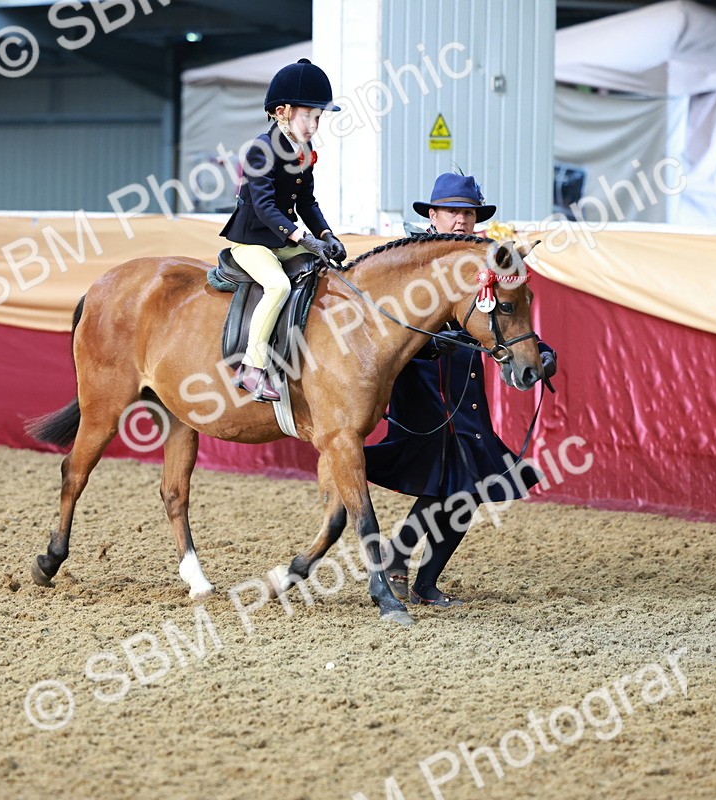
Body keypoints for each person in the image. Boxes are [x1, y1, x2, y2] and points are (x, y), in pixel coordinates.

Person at [363, 173, 559, 607]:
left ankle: (423, 577)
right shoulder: (407, 261)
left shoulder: (489, 259)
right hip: (422, 384)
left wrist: (539, 351)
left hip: (467, 386)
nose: (461, 220)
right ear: (432, 215)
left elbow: (509, 314)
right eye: (452, 211)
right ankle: (406, 564)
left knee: (470, 485)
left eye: (468, 213)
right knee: (448, 482)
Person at [220, 58, 346, 402]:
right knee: (276, 286)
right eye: (309, 116)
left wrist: (326, 236)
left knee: (329, 272)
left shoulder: (303, 151)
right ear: (281, 112)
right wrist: (301, 237)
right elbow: (264, 206)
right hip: (252, 242)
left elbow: (307, 202)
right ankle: (251, 367)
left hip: (283, 240)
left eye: (319, 118)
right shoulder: (262, 149)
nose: (314, 125)